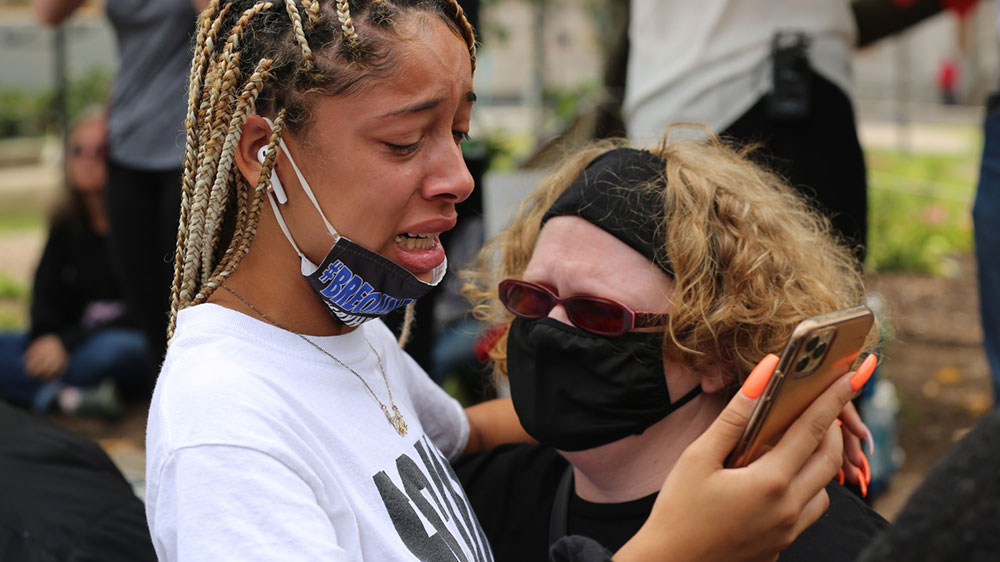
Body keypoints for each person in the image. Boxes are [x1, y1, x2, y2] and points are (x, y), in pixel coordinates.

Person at [147, 1, 873, 560]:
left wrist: (767, 402)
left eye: (458, 134)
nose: (458, 178)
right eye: (405, 141)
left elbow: (472, 431)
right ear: (260, 148)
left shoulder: (349, 341)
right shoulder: (226, 438)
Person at [456, 138, 888, 560]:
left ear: (716, 349)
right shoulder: (460, 507)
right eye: (532, 296)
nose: (548, 327)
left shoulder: (847, 548)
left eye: (597, 312)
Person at [34, 0, 208, 371]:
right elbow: (47, 13)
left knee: (189, 304)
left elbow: (221, 19)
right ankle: (162, 407)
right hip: (126, 143)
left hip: (189, 147)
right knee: (146, 304)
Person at [0, 113, 150, 416]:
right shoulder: (65, 225)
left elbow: (143, 310)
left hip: (111, 341)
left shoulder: (142, 226)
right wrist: (45, 336)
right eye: (79, 149)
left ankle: (44, 390)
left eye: (100, 151)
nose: (87, 159)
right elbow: (44, 291)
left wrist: (64, 343)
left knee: (120, 350)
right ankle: (68, 398)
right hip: (68, 344)